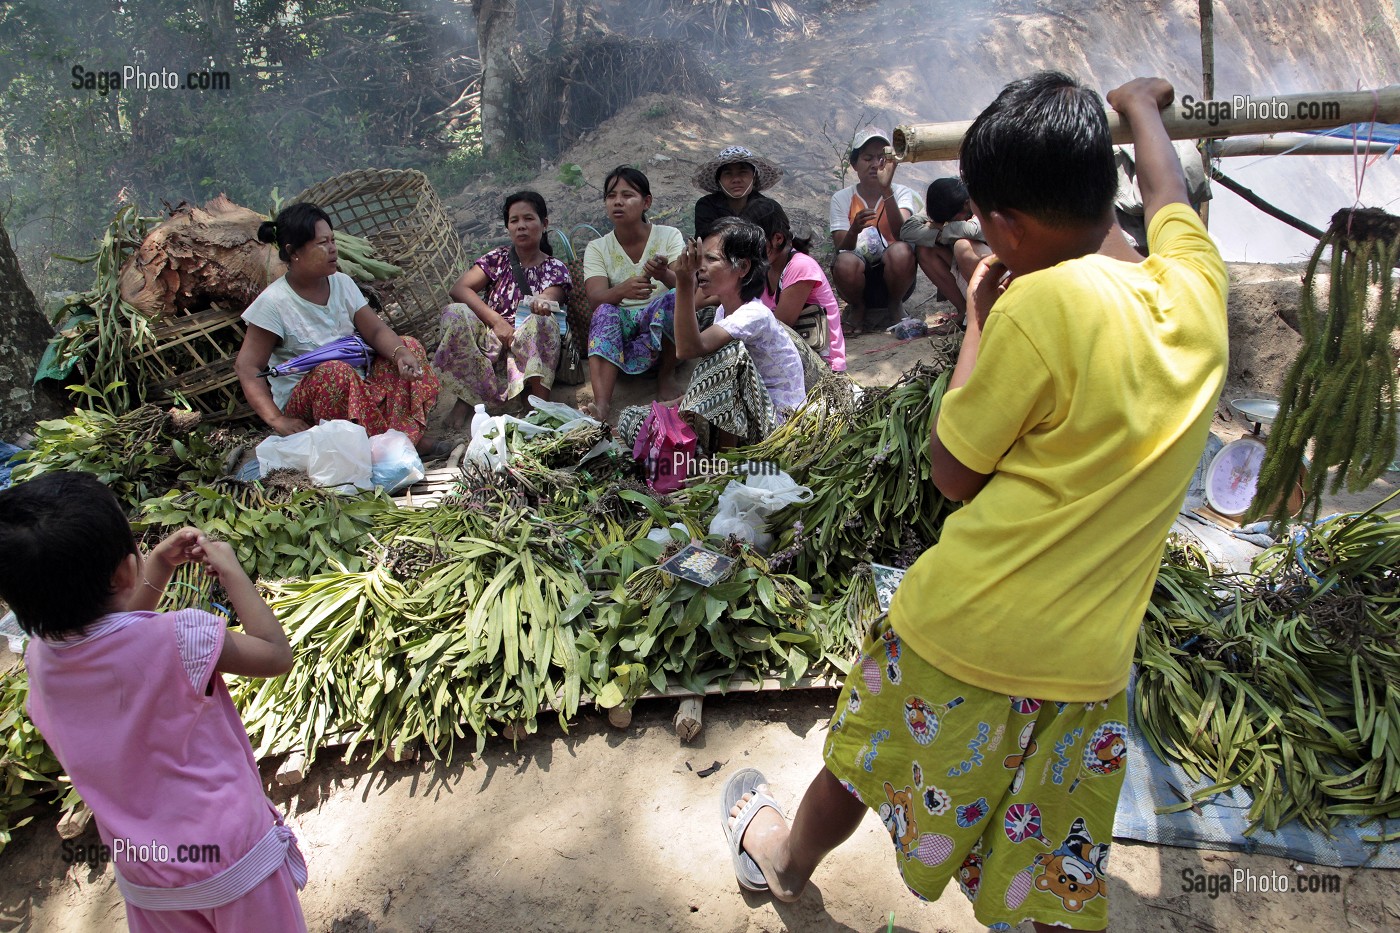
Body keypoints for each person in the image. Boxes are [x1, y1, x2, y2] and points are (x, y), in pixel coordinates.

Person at [722, 72, 1228, 933]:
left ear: (1002, 225)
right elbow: (1167, 191)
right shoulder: (1198, 289)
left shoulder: (1035, 306)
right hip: (1088, 670)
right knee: (1045, 838)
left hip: (962, 629)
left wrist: (982, 316)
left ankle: (782, 859)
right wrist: (1143, 109)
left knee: (862, 759)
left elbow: (953, 469)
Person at [0, 471, 307, 931]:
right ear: (126, 571)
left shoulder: (41, 663)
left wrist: (157, 567)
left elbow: (115, 630)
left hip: (149, 871)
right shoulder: (180, 636)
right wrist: (231, 572)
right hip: (235, 862)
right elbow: (275, 654)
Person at [235, 202, 441, 454]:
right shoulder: (274, 303)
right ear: (293, 252)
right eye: (322, 243)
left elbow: (375, 332)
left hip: (360, 387)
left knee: (407, 345)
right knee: (335, 373)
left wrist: (400, 354)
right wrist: (277, 420)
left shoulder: (342, 283)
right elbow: (247, 367)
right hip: (313, 404)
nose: (333, 249)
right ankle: (387, 447)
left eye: (332, 240)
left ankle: (401, 441)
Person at [620, 217, 806, 450]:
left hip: (776, 427)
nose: (701, 268)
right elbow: (705, 384)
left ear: (743, 267)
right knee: (632, 419)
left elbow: (688, 349)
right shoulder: (722, 312)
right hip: (748, 419)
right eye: (700, 259)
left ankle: (722, 459)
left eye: (711, 259)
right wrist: (666, 406)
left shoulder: (754, 314)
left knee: (728, 355)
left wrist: (684, 282)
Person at [434, 191, 572, 428]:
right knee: (455, 312)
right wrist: (496, 321)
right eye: (514, 220)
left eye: (529, 219)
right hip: (492, 335)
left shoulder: (555, 267)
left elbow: (553, 294)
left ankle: (539, 408)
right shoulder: (497, 258)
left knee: (542, 321)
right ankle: (466, 401)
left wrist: (542, 301)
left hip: (528, 340)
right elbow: (460, 288)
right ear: (508, 227)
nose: (521, 226)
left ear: (544, 224)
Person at [583, 167, 686, 423]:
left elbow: (686, 286)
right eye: (611, 195)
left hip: (660, 323)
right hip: (623, 328)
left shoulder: (669, 235)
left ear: (646, 202)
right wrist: (621, 291)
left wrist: (663, 274)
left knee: (673, 297)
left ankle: (666, 376)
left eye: (627, 195)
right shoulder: (597, 247)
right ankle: (602, 404)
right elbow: (595, 299)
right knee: (604, 311)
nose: (617, 201)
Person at [828, 128, 919, 335]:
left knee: (902, 250)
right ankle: (858, 308)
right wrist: (854, 230)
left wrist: (886, 191)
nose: (874, 164)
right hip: (859, 280)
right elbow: (841, 247)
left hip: (896, 278)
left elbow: (901, 234)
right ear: (854, 164)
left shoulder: (902, 192)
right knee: (845, 261)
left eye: (881, 158)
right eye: (867, 158)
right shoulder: (842, 198)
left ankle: (895, 305)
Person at [745, 199, 846, 373]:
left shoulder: (800, 266)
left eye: (754, 243)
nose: (749, 250)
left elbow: (778, 327)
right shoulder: (766, 268)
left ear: (777, 238)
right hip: (793, 358)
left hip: (823, 367)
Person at [901, 177, 993, 324]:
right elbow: (907, 230)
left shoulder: (981, 202)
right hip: (966, 274)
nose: (949, 221)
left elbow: (973, 230)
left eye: (951, 219)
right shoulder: (947, 203)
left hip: (996, 277)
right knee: (924, 249)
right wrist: (938, 235)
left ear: (967, 204)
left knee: (963, 246)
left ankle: (987, 313)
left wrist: (939, 228)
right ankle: (965, 311)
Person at [692, 145, 784, 239]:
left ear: (754, 177)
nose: (736, 179)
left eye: (743, 172)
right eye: (728, 174)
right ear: (718, 180)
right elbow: (704, 241)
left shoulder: (769, 209)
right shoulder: (707, 206)